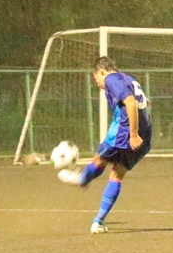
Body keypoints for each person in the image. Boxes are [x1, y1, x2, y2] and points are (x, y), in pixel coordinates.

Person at [57, 56, 152, 233]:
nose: (99, 85)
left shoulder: (111, 79)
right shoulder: (129, 79)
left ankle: (83, 179)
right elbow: (144, 102)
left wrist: (132, 134)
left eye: (96, 80)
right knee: (116, 174)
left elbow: (131, 102)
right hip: (145, 136)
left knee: (100, 160)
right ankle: (97, 222)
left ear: (101, 71)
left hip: (124, 133)